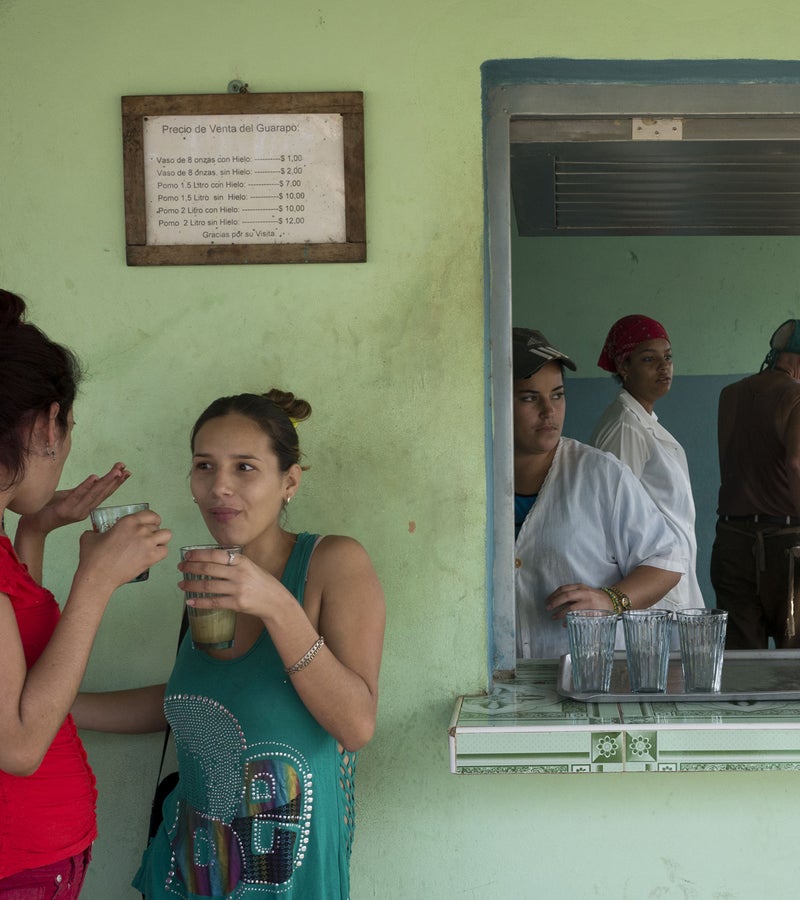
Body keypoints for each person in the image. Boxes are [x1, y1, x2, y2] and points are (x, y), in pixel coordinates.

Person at [73, 389, 386, 899]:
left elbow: (356, 726)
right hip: (188, 875)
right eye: (204, 466)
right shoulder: (204, 579)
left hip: (290, 882)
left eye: (244, 467)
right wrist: (53, 705)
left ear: (289, 481)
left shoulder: (335, 563)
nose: (220, 486)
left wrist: (275, 604)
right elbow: (196, 704)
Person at [0, 289, 172, 897]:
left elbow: (14, 644)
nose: (67, 445)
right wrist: (94, 584)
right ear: (48, 424)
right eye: (67, 427)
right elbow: (18, 745)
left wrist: (37, 525)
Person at [512, 327, 686, 659]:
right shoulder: (471, 483)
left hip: (589, 671)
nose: (549, 411)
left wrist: (611, 599)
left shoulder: (599, 473)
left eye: (558, 394)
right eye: (529, 397)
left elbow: (666, 560)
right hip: (501, 678)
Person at [591, 314, 702, 613]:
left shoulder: (643, 422)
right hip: (647, 593)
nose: (664, 367)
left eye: (667, 357)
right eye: (649, 359)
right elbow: (610, 516)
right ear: (624, 367)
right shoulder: (626, 427)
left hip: (667, 584)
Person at [711, 319, 800, 649]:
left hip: (732, 540)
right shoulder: (796, 396)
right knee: (796, 665)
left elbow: (729, 464)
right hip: (787, 545)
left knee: (742, 661)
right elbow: (796, 463)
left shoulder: (730, 394)